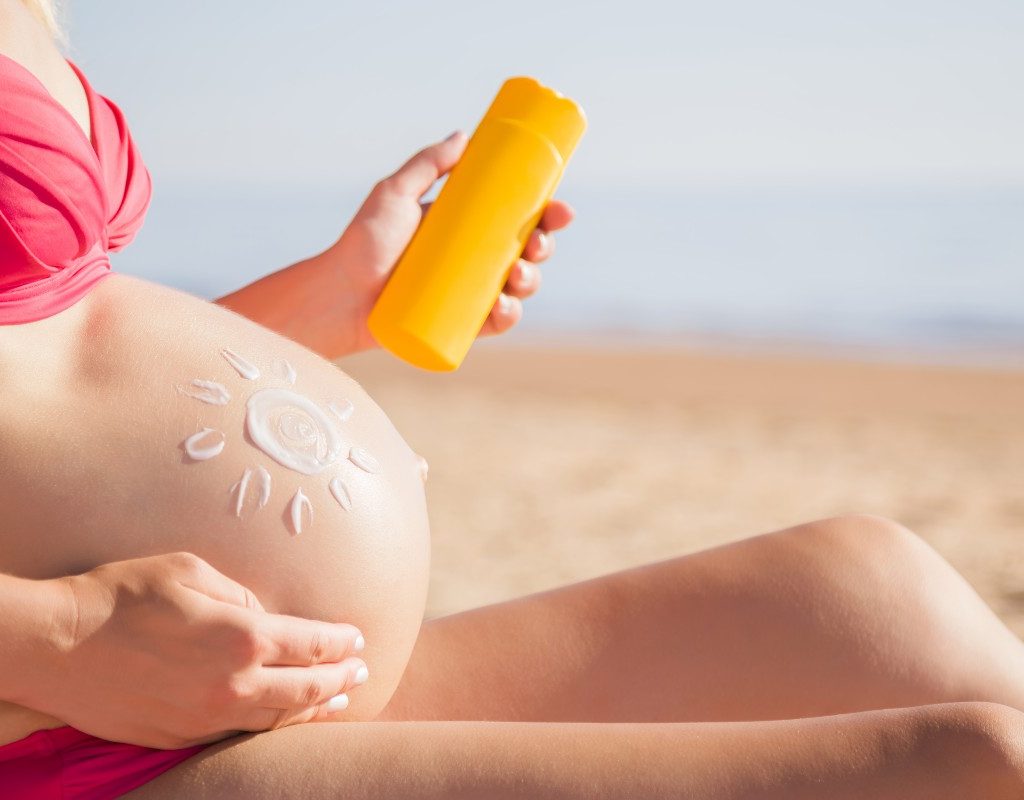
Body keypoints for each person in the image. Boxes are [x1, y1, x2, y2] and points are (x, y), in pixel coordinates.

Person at [2, 1, 1023, 798]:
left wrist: (329, 303)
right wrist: (51, 632)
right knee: (979, 763)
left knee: (870, 593)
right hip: (72, 738)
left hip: (222, 689)